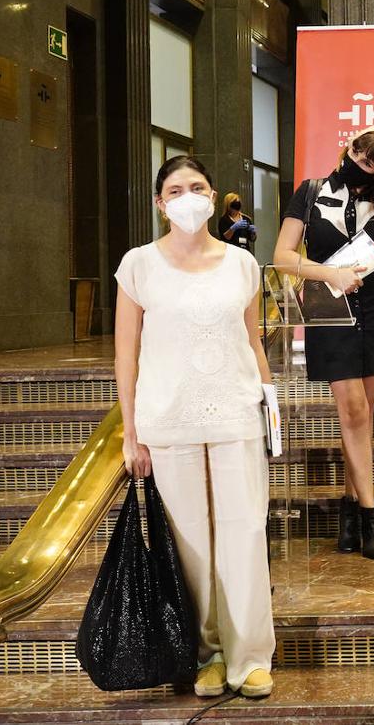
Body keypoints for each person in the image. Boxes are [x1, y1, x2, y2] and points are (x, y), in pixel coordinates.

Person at [114, 156, 276, 699]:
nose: (188, 197)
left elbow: (253, 340)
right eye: (176, 189)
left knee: (245, 531)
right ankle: (205, 654)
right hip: (168, 418)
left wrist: (270, 407)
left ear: (213, 196)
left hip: (236, 410)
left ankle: (249, 656)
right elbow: (126, 354)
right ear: (160, 203)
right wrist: (130, 432)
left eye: (198, 187)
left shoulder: (241, 265)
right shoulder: (137, 265)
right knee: (190, 543)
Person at [273, 125, 374, 560]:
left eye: (373, 163)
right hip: (329, 308)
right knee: (351, 410)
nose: (362, 165)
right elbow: (283, 256)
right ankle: (370, 513)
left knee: (362, 415)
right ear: (347, 147)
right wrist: (330, 274)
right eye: (360, 155)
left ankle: (348, 510)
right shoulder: (309, 193)